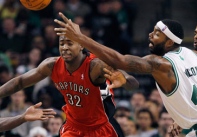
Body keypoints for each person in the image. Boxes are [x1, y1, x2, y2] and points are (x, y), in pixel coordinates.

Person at [54, 12, 197, 137]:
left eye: (157, 34)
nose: (150, 35)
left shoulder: (160, 64)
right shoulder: (194, 55)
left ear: (169, 42)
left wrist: (81, 38)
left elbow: (119, 60)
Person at [0, 34, 139, 137]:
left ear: (81, 46)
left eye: (70, 43)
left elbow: (131, 82)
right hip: (73, 127)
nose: (65, 47)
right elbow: (19, 82)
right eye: (62, 44)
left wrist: (125, 80)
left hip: (101, 127)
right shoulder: (52, 65)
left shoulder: (94, 65)